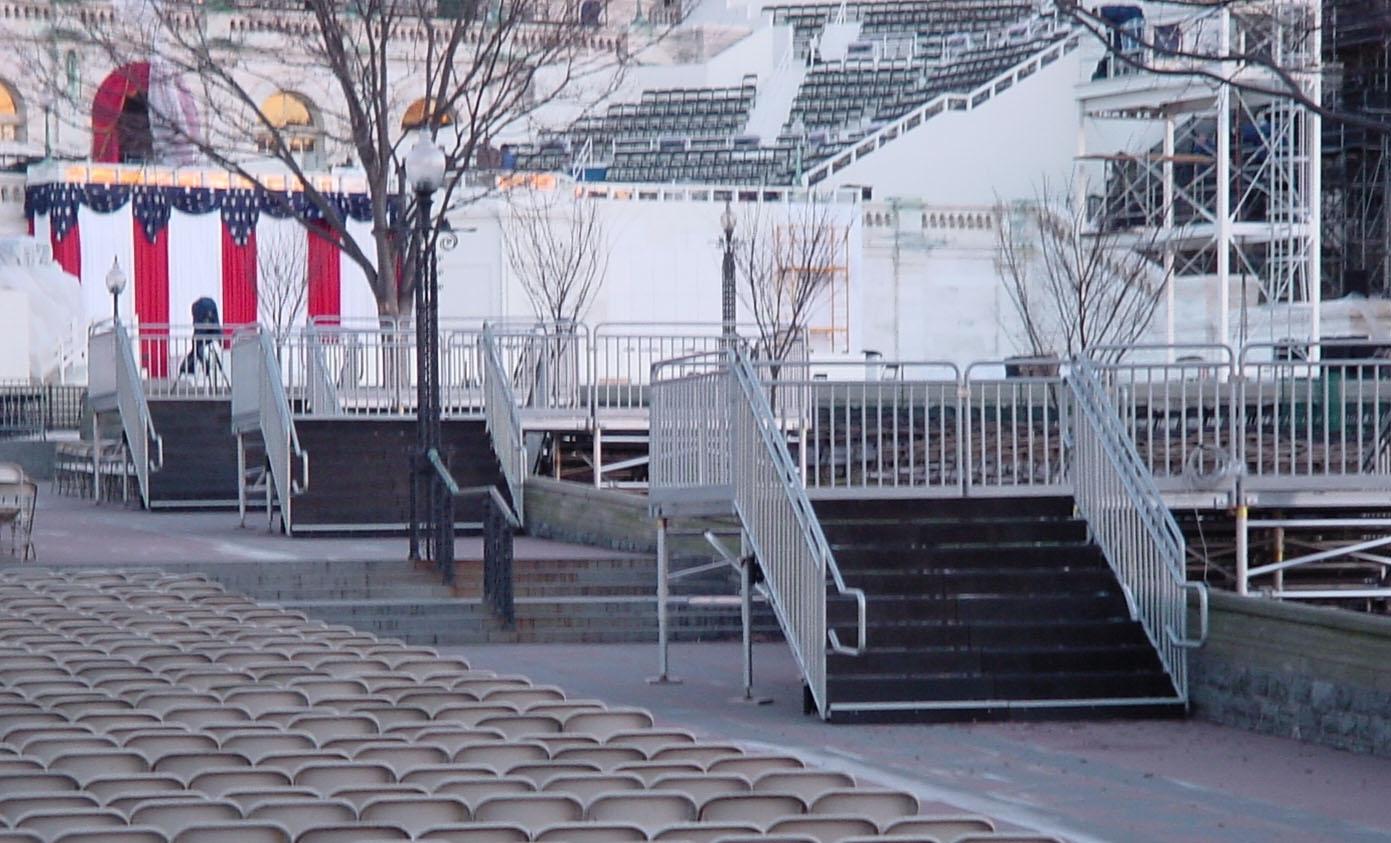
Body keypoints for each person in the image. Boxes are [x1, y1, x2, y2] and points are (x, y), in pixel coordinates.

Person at [179, 297, 221, 378]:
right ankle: (202, 367)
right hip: (207, 340)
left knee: (198, 349)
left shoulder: (204, 321)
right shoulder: (210, 321)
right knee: (198, 349)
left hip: (205, 340)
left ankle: (200, 367)